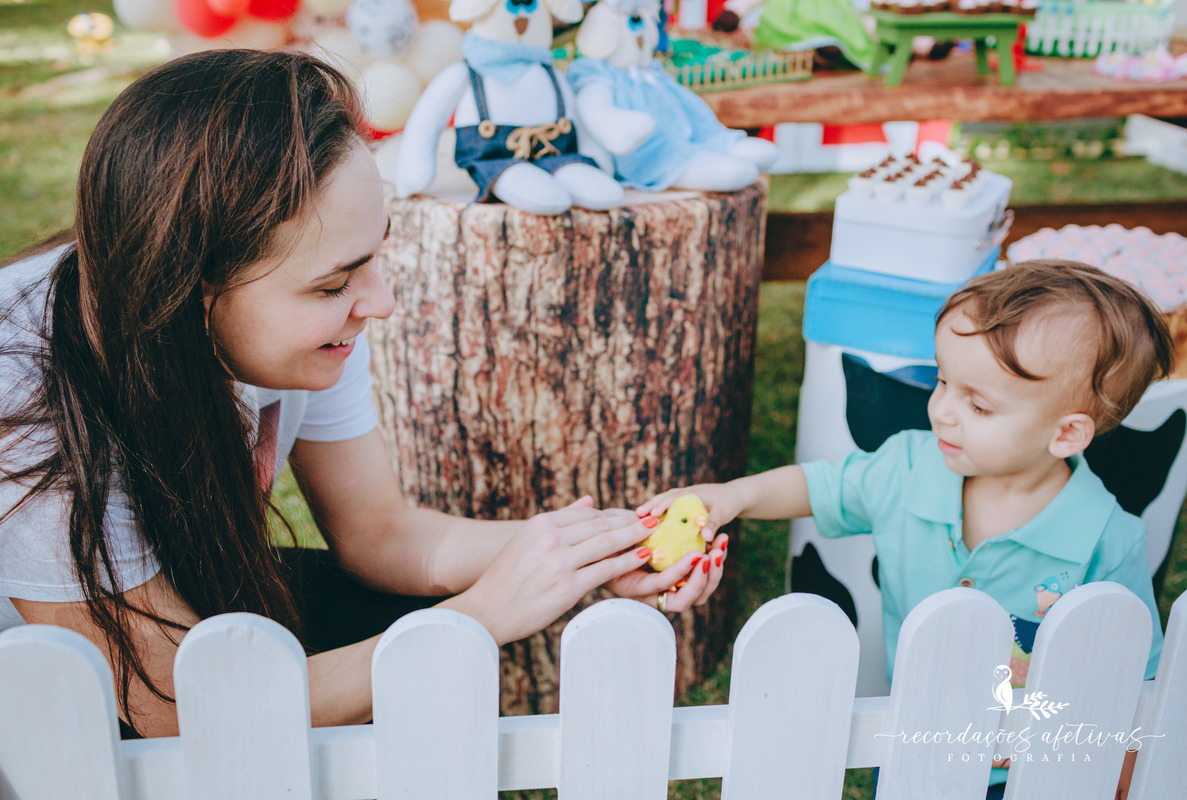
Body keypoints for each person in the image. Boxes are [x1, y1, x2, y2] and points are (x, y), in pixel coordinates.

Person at [0, 49, 727, 739]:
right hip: (48, 701)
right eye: (332, 285)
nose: (377, 302)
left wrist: (592, 550)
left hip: (185, 623)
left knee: (397, 618)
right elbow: (172, 707)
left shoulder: (316, 316)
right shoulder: (26, 396)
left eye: (371, 258)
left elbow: (378, 533)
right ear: (189, 295)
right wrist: (474, 618)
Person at [638, 260, 1172, 797]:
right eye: (942, 380)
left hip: (1030, 773)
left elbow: (1131, 676)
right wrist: (735, 496)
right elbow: (821, 487)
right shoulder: (909, 468)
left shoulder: (1104, 537)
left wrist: (1121, 776)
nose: (941, 411)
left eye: (979, 405)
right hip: (906, 744)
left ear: (1066, 434)